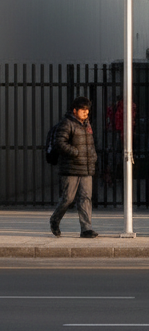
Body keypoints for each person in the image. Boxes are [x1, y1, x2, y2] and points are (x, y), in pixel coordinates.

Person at [49, 95, 99, 238]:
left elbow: (91, 145)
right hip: (70, 168)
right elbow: (60, 143)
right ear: (75, 110)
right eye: (83, 110)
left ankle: (86, 228)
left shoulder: (87, 125)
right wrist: (75, 152)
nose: (86, 113)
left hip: (86, 168)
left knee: (85, 198)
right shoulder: (67, 124)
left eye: (87, 110)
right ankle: (55, 219)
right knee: (68, 198)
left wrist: (93, 157)